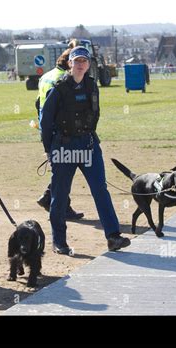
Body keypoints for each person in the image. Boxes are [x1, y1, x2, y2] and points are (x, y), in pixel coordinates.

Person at [40, 46, 131, 255]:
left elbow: (94, 114)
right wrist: (49, 150)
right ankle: (59, 241)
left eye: (84, 61)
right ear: (70, 63)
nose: (80, 65)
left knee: (100, 189)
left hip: (88, 145)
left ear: (89, 64)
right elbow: (46, 121)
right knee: (60, 194)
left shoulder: (92, 86)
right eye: (77, 61)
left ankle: (113, 236)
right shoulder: (59, 88)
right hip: (63, 147)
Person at [35, 47, 84, 220]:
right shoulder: (62, 79)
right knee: (64, 171)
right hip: (59, 129)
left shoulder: (46, 76)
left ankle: (50, 198)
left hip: (45, 124)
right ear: (69, 64)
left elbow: (37, 102)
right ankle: (58, 204)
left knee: (61, 170)